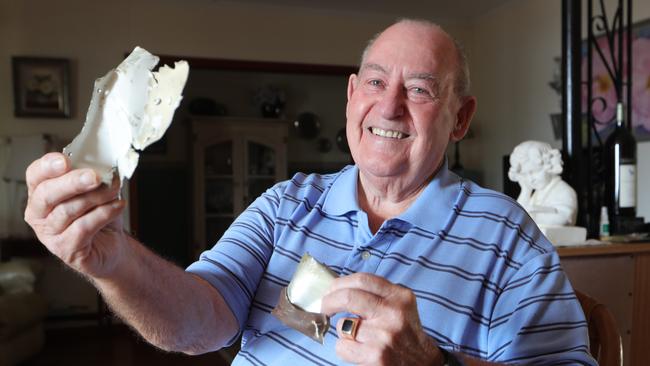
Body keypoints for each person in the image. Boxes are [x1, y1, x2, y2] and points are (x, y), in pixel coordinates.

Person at [24, 19, 596, 365]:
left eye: (419, 89)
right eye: (375, 81)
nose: (389, 105)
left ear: (460, 117)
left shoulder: (507, 237)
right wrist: (116, 262)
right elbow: (198, 322)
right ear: (351, 97)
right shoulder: (284, 203)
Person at [508, 140, 578, 226]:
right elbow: (516, 217)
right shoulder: (537, 192)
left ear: (549, 166)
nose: (530, 179)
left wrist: (532, 216)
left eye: (534, 172)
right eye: (525, 175)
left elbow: (564, 218)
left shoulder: (564, 191)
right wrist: (525, 191)